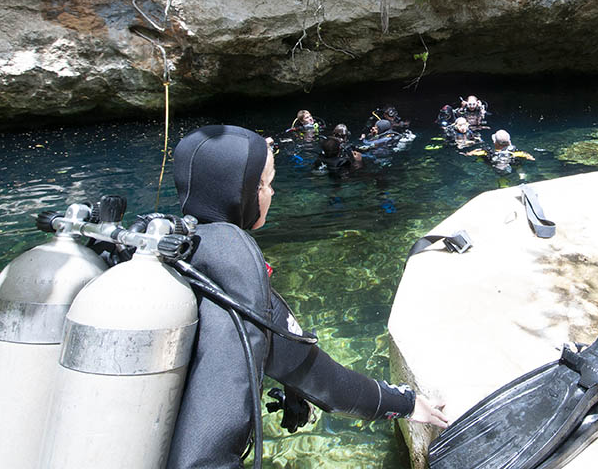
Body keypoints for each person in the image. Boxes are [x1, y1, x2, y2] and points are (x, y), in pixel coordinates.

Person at [168, 125, 447, 469]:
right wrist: (406, 403)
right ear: (241, 193)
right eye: (267, 183)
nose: (273, 192)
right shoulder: (234, 273)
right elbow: (328, 382)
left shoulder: (173, 249)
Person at [465, 129, 535, 175]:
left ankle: (503, 183)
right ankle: (522, 175)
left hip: (497, 166)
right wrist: (531, 157)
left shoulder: (487, 152)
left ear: (495, 143)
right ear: (509, 142)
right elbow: (526, 155)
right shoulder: (515, 152)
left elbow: (472, 153)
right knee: (518, 166)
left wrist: (469, 153)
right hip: (511, 163)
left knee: (481, 159)